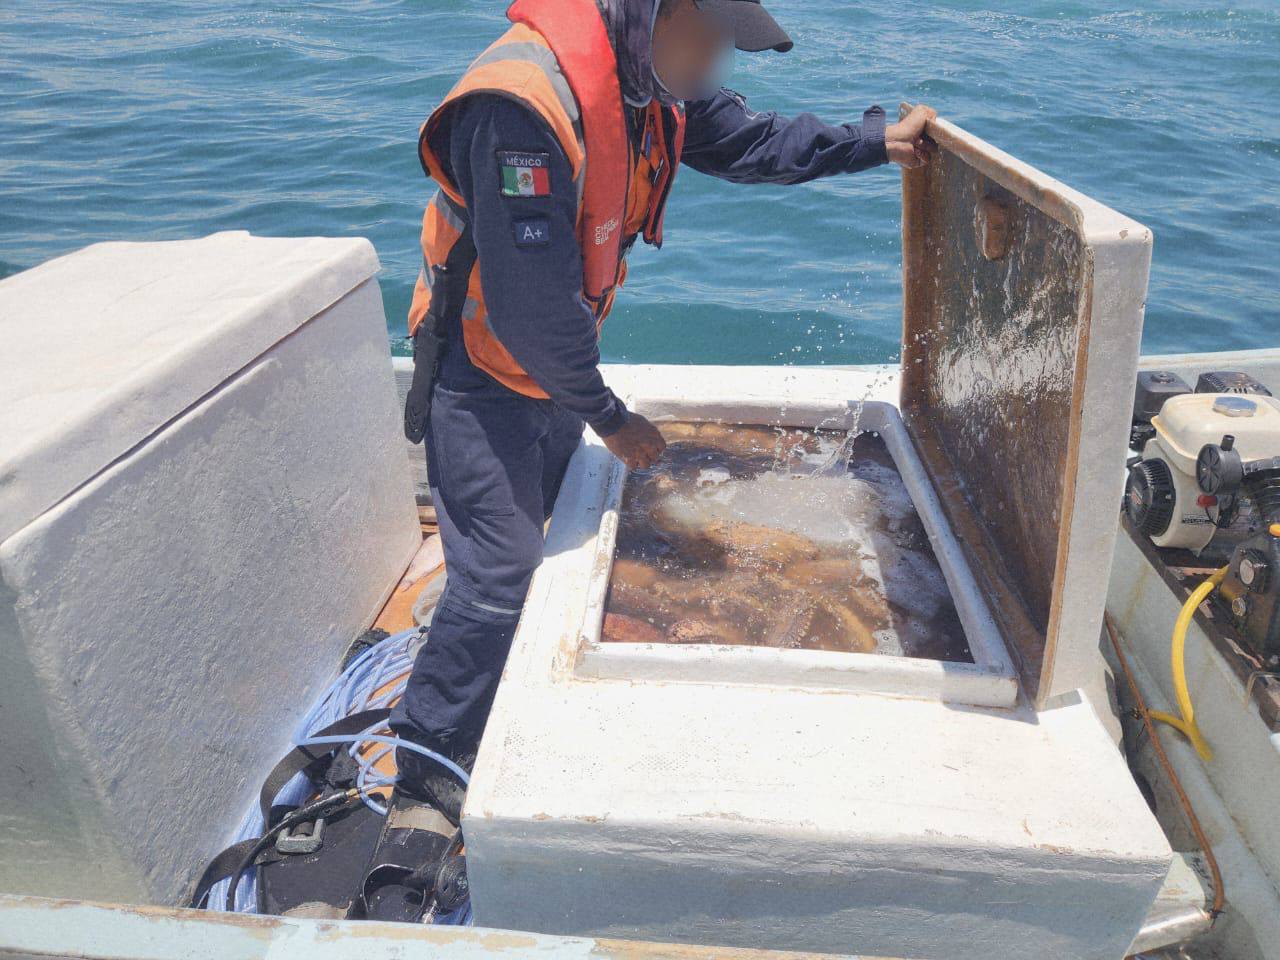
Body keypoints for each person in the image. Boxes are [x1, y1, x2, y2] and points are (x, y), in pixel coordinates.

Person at [375, 0, 935, 917]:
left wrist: (877, 143)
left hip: (551, 370)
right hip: (483, 372)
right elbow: (524, 305)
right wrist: (611, 418)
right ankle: (428, 780)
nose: (716, 61)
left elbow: (753, 143)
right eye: (710, 36)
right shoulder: (522, 108)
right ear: (660, 14)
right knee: (498, 579)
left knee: (554, 546)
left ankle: (513, 700)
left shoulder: (649, 80)